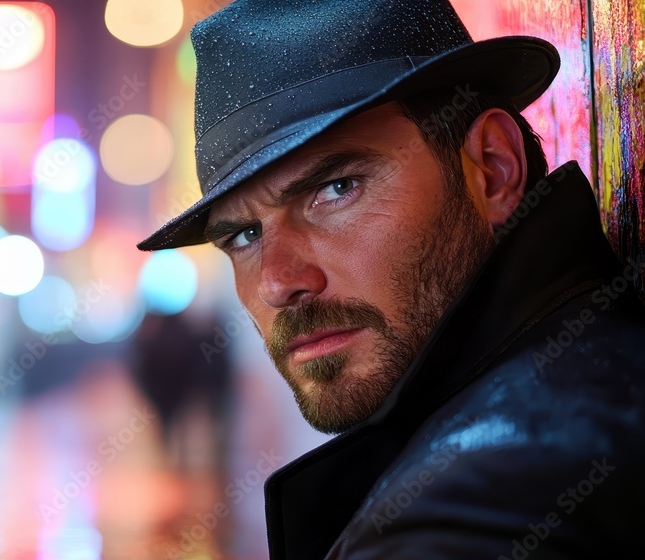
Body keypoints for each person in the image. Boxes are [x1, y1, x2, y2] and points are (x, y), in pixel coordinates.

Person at [136, 0, 645, 558]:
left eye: (336, 190)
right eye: (243, 237)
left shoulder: (474, 516)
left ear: (494, 170)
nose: (277, 284)